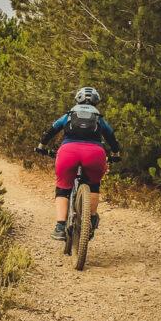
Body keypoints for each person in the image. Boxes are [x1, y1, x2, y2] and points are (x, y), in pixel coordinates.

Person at [35, 87, 121, 240]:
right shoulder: (98, 118)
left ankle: (60, 227)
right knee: (94, 185)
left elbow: (50, 131)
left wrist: (41, 147)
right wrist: (116, 154)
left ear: (77, 100)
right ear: (96, 102)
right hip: (95, 153)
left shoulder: (68, 115)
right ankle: (91, 219)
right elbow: (111, 137)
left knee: (62, 188)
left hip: (68, 152)